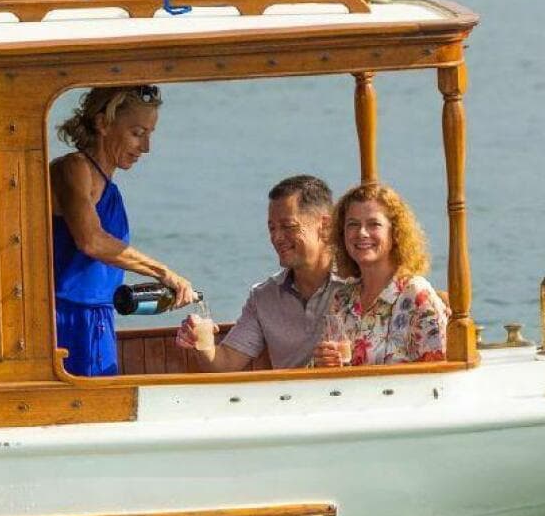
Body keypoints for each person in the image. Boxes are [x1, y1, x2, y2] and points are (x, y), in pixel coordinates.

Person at [50, 85, 196, 376]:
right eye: (137, 133)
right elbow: (91, 241)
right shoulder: (74, 168)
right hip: (66, 317)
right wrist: (163, 272)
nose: (146, 147)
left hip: (99, 316)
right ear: (103, 124)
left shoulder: (108, 186)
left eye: (149, 134)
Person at [175, 174, 338, 372]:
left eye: (288, 226)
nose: (277, 237)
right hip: (287, 393)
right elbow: (225, 364)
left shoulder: (357, 284)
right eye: (272, 228)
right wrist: (203, 344)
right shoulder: (264, 297)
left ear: (325, 226)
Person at [312, 182, 448, 367]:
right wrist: (323, 364)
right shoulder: (342, 299)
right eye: (353, 224)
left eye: (374, 224)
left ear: (395, 232)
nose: (362, 233)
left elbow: (438, 374)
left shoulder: (417, 296)